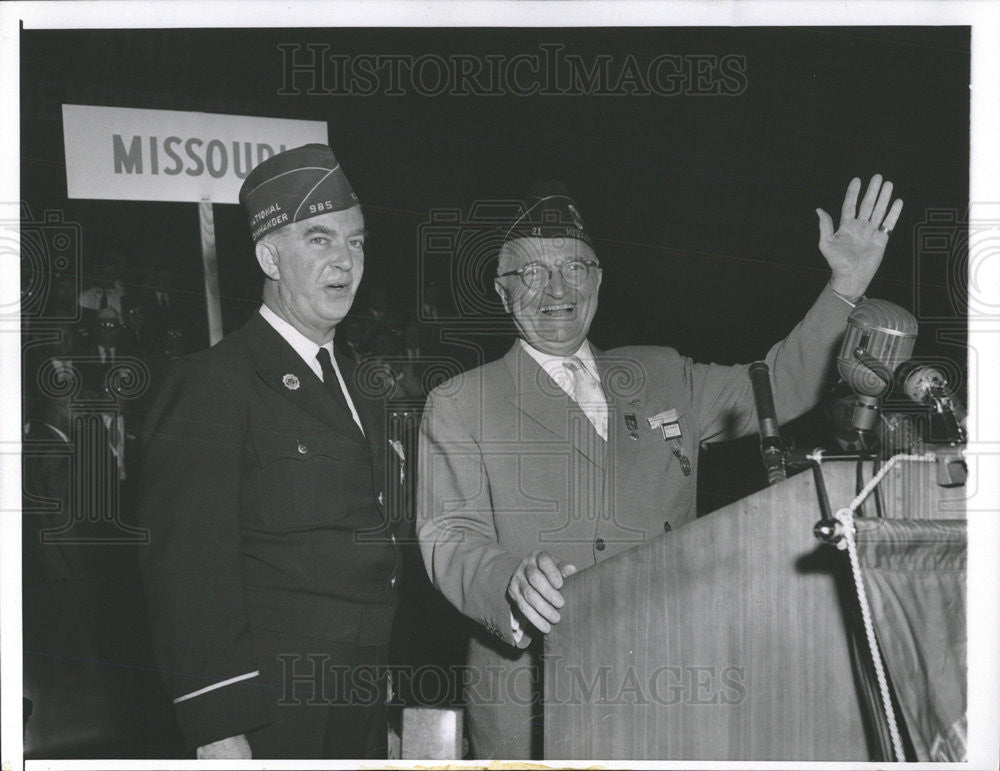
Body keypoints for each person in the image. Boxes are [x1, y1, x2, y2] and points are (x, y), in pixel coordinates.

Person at [416, 175, 903, 759]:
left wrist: (845, 289)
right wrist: (508, 581)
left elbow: (780, 386)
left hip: (667, 675)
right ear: (501, 292)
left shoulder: (662, 372)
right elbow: (449, 536)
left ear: (598, 279)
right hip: (533, 694)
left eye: (574, 268)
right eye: (531, 273)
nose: (556, 288)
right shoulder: (461, 401)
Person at [137, 144, 404, 759]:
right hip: (270, 711)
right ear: (269, 256)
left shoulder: (362, 384)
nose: (346, 259)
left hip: (359, 701)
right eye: (319, 239)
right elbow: (187, 571)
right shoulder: (214, 382)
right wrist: (217, 724)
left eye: (357, 241)